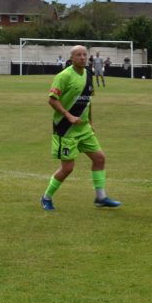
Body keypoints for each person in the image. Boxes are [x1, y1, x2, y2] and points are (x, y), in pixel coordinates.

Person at [40, 45, 122, 211]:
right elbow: (52, 100)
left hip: (84, 128)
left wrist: (90, 121)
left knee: (99, 158)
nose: (83, 57)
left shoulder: (89, 74)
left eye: (85, 54)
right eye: (79, 55)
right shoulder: (63, 76)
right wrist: (68, 116)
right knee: (68, 168)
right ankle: (46, 197)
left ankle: (100, 197)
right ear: (72, 58)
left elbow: (88, 100)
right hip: (66, 129)